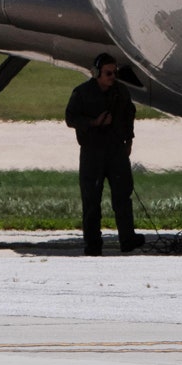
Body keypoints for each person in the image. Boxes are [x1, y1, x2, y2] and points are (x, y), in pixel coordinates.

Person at [65, 53, 143, 256]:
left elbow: (129, 115)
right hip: (93, 152)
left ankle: (127, 239)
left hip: (116, 151)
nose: (112, 76)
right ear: (97, 73)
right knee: (91, 200)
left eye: (114, 73)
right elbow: (71, 117)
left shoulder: (121, 92)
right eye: (108, 73)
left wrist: (129, 140)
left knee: (123, 197)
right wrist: (93, 123)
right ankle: (92, 244)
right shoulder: (82, 93)